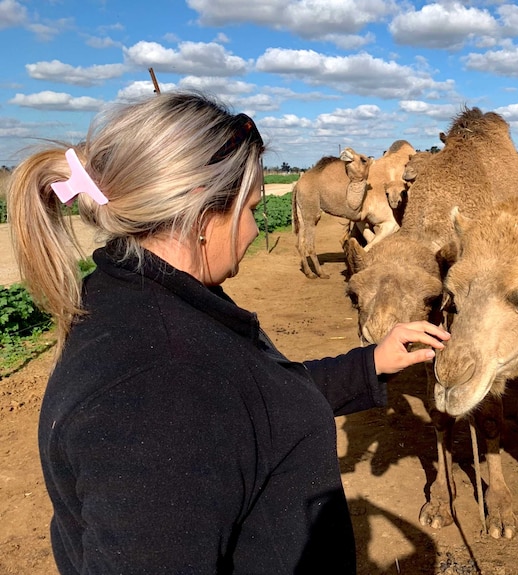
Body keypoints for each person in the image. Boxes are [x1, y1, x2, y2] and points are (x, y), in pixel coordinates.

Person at [7, 91, 449, 574]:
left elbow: (251, 403)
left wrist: (369, 365)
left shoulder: (143, 300)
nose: (256, 229)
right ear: (201, 212)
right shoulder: (157, 390)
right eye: (251, 207)